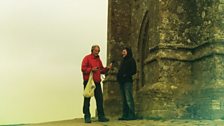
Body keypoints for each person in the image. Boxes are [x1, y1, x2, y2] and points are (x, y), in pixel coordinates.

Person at [81, 45, 112, 123]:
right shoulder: (87, 58)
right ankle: (87, 116)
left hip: (97, 82)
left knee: (99, 99)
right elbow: (83, 68)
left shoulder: (98, 60)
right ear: (92, 50)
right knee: (87, 99)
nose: (97, 52)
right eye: (96, 50)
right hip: (89, 82)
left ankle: (101, 116)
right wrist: (91, 69)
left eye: (98, 51)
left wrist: (107, 68)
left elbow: (101, 70)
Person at [117, 47, 137, 120]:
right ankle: (125, 115)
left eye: (124, 51)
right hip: (122, 82)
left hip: (127, 81)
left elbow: (134, 70)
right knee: (124, 99)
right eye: (122, 52)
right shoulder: (123, 61)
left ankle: (132, 115)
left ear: (128, 52)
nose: (123, 53)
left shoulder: (131, 60)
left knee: (128, 98)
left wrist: (126, 75)